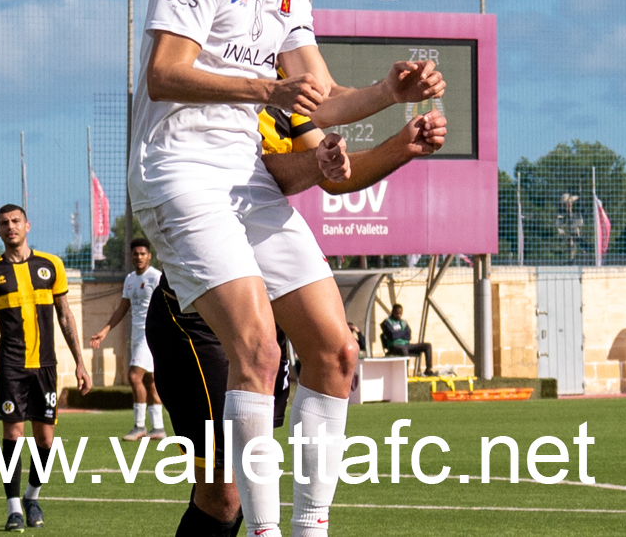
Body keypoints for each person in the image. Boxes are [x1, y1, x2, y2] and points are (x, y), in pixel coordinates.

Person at [128, 0, 444, 536]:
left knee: (335, 353)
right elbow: (164, 72)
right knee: (259, 349)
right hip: (177, 173)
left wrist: (390, 92)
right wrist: (265, 88)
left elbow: (321, 101)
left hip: (244, 180)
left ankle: (309, 529)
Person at [145, 102, 445, 536]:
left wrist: (401, 142)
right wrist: (321, 154)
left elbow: (337, 172)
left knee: (339, 352)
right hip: (194, 322)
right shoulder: (204, 95)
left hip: (267, 314)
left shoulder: (284, 102)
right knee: (223, 494)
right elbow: (261, 172)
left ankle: (308, 528)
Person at [0, 204, 92, 532]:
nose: (10, 227)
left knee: (45, 439)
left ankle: (31, 496)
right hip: (10, 366)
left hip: (45, 367)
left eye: (15, 221)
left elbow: (65, 316)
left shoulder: (51, 265)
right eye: (3, 223)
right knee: (12, 434)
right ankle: (13, 509)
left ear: (27, 225)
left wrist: (81, 363)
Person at [89, 237, 166, 441]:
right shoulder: (130, 279)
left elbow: (167, 306)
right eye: (135, 254)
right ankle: (158, 428)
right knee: (149, 381)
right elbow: (123, 308)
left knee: (134, 376)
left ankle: (139, 426)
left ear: (149, 256)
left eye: (143, 254)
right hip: (137, 335)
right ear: (131, 256)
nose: (139, 257)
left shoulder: (156, 277)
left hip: (152, 335)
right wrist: (105, 330)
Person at [380, 305, 435, 375]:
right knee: (404, 349)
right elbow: (392, 336)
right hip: (394, 346)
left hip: (407, 345)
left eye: (400, 313)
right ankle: (405, 374)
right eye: (397, 313)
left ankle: (428, 369)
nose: (399, 315)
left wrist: (397, 333)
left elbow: (408, 336)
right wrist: (402, 333)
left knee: (427, 345)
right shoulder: (386, 323)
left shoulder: (404, 322)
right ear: (393, 312)